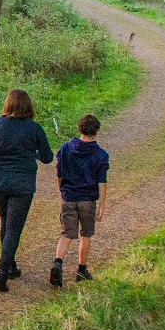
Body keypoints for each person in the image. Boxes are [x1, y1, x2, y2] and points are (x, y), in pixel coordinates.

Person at [0, 88, 54, 292]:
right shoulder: (34, 128)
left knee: (6, 223)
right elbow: (47, 157)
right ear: (28, 106)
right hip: (22, 183)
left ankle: (11, 265)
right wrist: (32, 153)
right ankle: (2, 272)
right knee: (14, 227)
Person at [51, 114, 110, 287]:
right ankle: (81, 270)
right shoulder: (100, 155)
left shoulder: (66, 148)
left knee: (67, 233)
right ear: (96, 132)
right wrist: (102, 204)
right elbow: (102, 181)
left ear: (79, 129)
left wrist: (62, 190)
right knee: (86, 233)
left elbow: (59, 173)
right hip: (88, 200)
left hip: (69, 197)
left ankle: (58, 263)